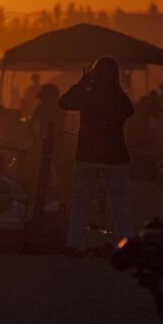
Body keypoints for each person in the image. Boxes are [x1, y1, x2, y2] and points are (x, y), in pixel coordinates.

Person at [60, 56, 135, 253]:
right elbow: (130, 111)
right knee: (121, 204)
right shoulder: (120, 99)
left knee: (80, 202)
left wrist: (82, 82)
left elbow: (64, 102)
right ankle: (127, 244)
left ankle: (74, 244)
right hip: (115, 156)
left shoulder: (87, 95)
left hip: (87, 156)